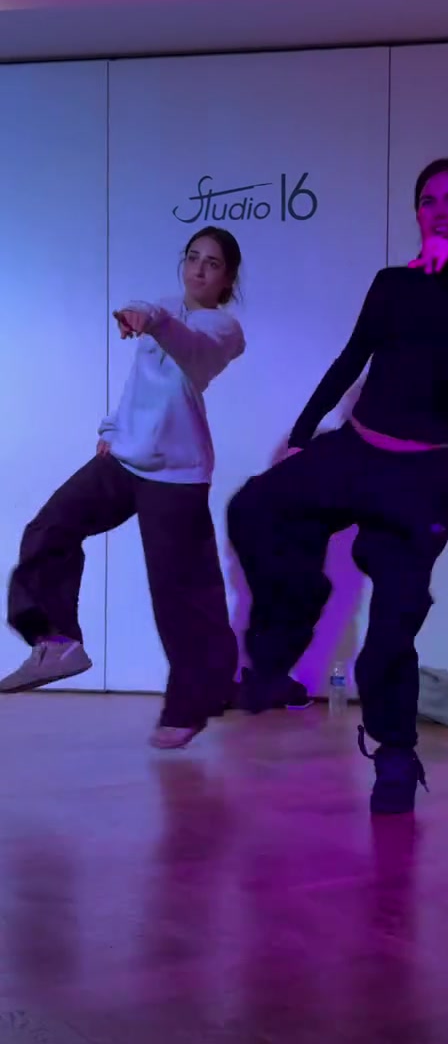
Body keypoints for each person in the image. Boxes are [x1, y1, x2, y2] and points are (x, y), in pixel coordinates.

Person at [227, 158, 448, 813]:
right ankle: (279, 648)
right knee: (255, 506)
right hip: (356, 451)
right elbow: (350, 359)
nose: (439, 211)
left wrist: (447, 268)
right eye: (428, 201)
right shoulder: (391, 284)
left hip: (420, 481)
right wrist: (301, 434)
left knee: (391, 633)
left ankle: (395, 755)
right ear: (417, 214)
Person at [1, 226, 245, 750]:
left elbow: (190, 350)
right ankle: (56, 641)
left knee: (179, 593)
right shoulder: (159, 309)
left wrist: (151, 318)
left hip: (177, 474)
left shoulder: (224, 330)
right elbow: (140, 386)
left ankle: (191, 705)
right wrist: (112, 430)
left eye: (212, 263)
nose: (199, 269)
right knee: (49, 527)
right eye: (193, 257)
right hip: (125, 460)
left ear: (227, 279)